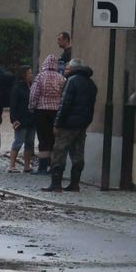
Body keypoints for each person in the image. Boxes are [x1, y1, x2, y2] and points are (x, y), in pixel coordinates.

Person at [44, 58, 97, 192]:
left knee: (59, 151)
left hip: (68, 124)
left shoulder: (71, 81)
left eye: (67, 68)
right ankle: (75, 184)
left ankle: (56, 184)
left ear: (73, 69)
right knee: (78, 153)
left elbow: (64, 105)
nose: (65, 71)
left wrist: (57, 123)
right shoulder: (91, 84)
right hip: (82, 124)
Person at [28, 54, 66, 174]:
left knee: (43, 139)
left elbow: (34, 94)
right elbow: (64, 95)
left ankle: (42, 167)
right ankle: (53, 166)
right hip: (56, 111)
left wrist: (32, 107)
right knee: (54, 139)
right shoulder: (61, 78)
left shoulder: (40, 77)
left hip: (41, 111)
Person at [7, 64, 35, 172]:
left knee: (30, 143)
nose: (31, 75)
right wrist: (14, 119)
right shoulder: (17, 88)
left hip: (32, 120)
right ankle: (12, 165)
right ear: (23, 75)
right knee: (18, 142)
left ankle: (27, 166)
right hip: (21, 120)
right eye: (29, 73)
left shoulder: (32, 86)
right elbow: (13, 106)